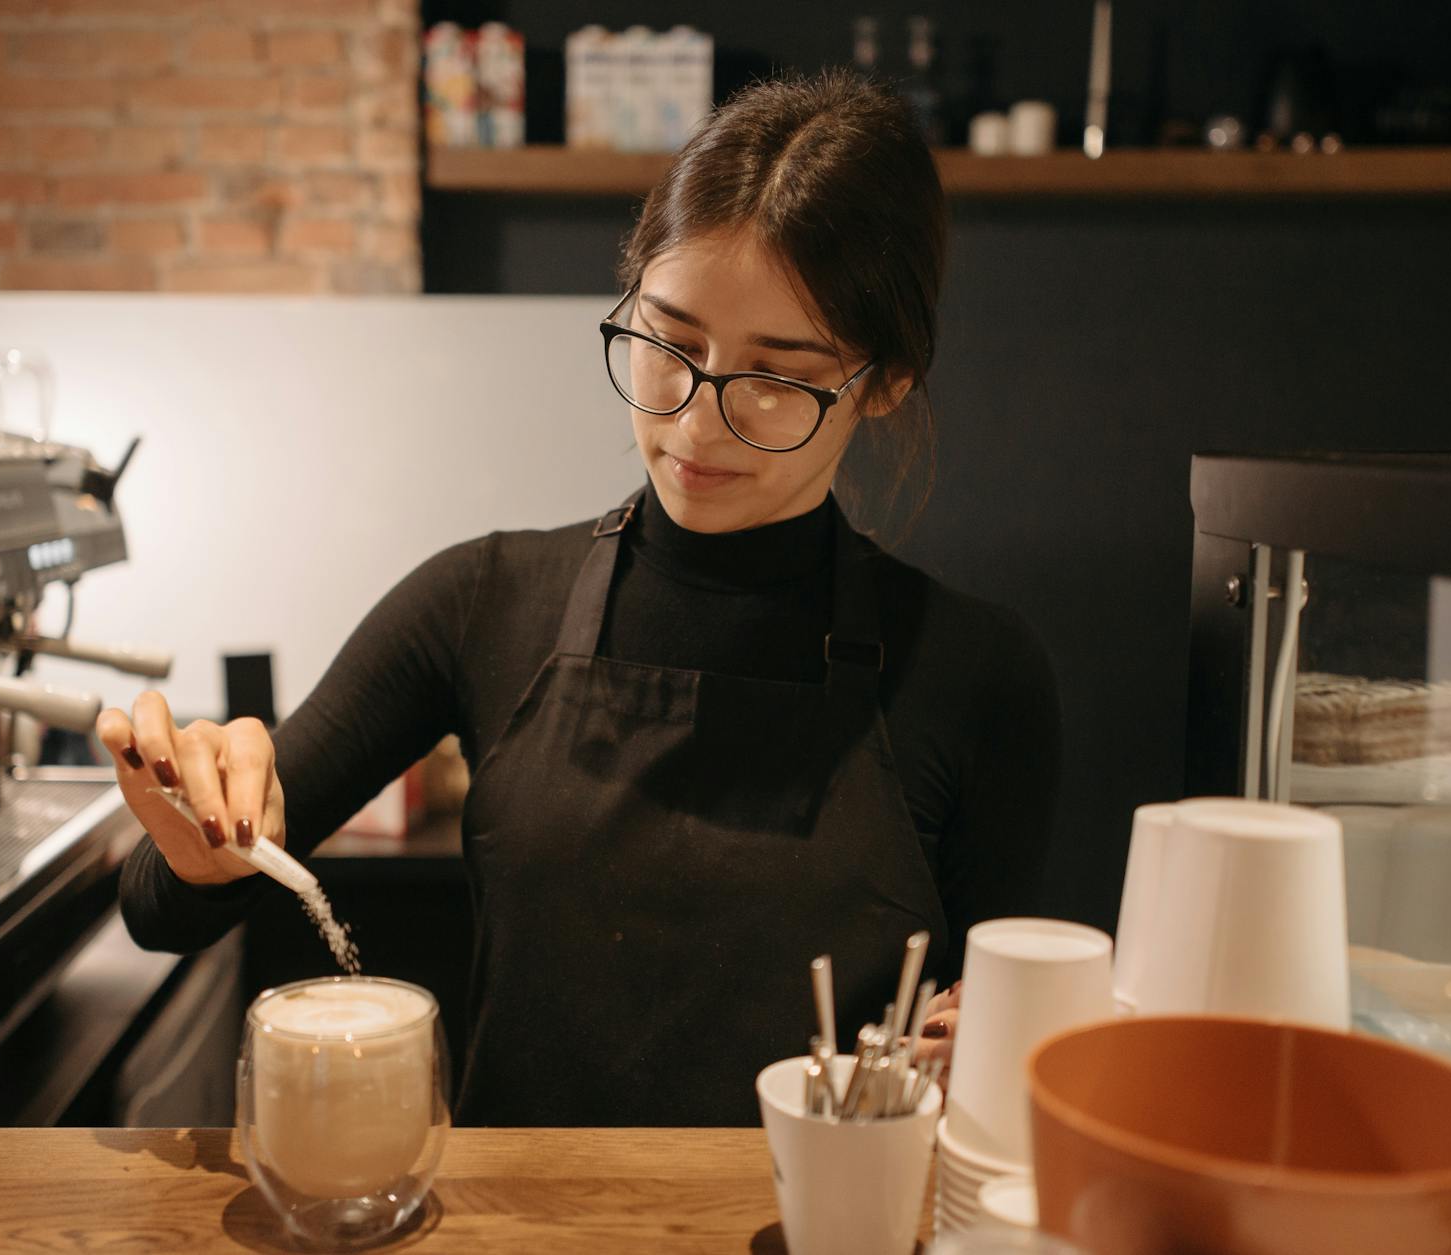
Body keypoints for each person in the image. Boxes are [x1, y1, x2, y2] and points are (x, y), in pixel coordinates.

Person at [102, 71, 1060, 1127]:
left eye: (774, 378)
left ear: (882, 383)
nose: (696, 427)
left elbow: (1008, 1021)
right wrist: (204, 846)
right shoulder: (481, 601)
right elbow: (157, 909)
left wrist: (1004, 1030)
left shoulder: (972, 674)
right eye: (670, 347)